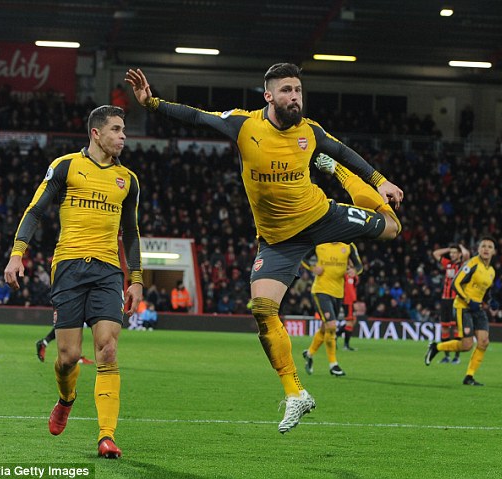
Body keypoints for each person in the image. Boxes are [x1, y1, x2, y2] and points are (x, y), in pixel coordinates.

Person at [125, 64, 403, 433]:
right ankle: (295, 394)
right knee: (262, 309)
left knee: (392, 228)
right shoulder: (244, 125)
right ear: (268, 95)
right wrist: (152, 104)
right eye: (286, 90)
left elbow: (345, 152)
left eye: (298, 90)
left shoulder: (311, 132)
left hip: (320, 216)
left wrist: (380, 181)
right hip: (277, 239)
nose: (295, 97)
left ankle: (336, 178)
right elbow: (196, 117)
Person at [4, 105, 143, 458]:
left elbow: (131, 231)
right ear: (96, 133)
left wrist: (136, 278)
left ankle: (106, 436)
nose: (123, 136)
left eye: (123, 129)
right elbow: (35, 210)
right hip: (68, 267)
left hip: (108, 271)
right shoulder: (66, 166)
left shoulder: (128, 180)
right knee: (68, 356)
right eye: (116, 129)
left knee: (108, 350)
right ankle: (66, 399)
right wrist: (17, 253)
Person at [425, 237, 497, 386]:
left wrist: (491, 301)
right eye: (483, 246)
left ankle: (469, 377)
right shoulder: (471, 264)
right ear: (478, 249)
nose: (486, 249)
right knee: (467, 345)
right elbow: (455, 283)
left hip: (478, 309)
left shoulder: (491, 271)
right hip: (463, 307)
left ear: (494, 251)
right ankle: (436, 347)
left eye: (490, 247)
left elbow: (486, 292)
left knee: (483, 342)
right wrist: (468, 300)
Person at [301, 242, 362, 377]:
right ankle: (333, 365)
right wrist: (312, 268)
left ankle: (309, 354)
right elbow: (303, 258)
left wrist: (354, 271)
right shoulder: (319, 243)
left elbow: (359, 265)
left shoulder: (349, 246)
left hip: (338, 293)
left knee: (325, 327)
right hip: (321, 290)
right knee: (332, 325)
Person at [432, 243, 470, 364]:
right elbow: (435, 253)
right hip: (445, 300)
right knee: (444, 327)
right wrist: (449, 248)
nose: (452, 254)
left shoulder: (462, 265)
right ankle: (447, 356)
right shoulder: (447, 264)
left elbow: (467, 255)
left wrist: (461, 247)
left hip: (456, 300)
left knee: (456, 328)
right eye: (451, 253)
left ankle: (457, 357)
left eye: (455, 252)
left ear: (459, 254)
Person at [339, 263, 361, 351]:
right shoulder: (344, 276)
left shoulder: (353, 276)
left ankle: (336, 336)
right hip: (347, 301)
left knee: (353, 321)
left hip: (351, 301)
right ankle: (345, 345)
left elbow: (356, 281)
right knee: (349, 322)